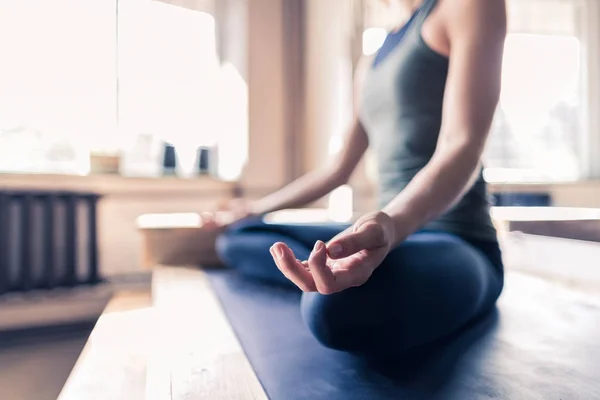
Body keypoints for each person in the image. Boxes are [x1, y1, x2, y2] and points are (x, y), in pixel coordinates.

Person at [206, 0, 507, 360]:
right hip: (389, 236)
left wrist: (391, 225)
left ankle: (333, 282)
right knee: (239, 238)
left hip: (455, 240)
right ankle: (326, 272)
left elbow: (462, 146)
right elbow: (338, 169)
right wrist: (254, 208)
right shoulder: (372, 60)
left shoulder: (468, 6)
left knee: (330, 312)